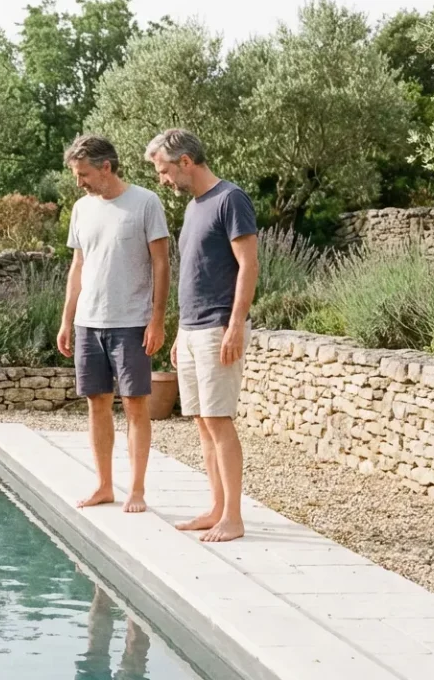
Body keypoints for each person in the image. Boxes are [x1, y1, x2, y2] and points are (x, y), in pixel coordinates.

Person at [144, 129, 259, 543]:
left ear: (186, 161)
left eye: (164, 171)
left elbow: (248, 265)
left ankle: (234, 517)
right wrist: (178, 331)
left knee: (218, 420)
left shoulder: (231, 199)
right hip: (192, 330)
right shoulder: (195, 207)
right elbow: (195, 275)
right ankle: (216, 507)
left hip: (217, 328)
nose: (164, 180)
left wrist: (234, 325)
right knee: (201, 422)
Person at [57, 135, 171, 514]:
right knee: (97, 404)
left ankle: (136, 490)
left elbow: (161, 264)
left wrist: (157, 318)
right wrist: (66, 319)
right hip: (89, 323)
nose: (80, 182)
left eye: (84, 174)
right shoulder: (81, 208)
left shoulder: (145, 202)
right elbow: (78, 266)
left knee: (136, 406)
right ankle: (104, 486)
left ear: (106, 167)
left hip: (132, 324)